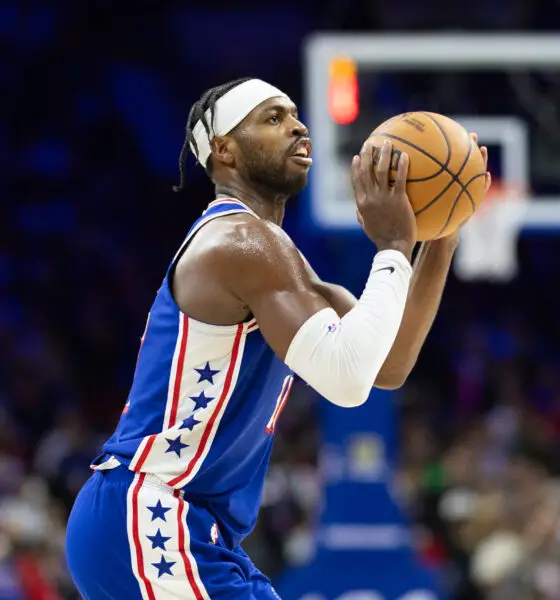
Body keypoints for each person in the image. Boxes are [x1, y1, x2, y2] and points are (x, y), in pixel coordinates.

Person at [65, 77, 491, 599]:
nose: (298, 126)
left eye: (294, 115)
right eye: (272, 118)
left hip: (191, 527)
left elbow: (388, 363)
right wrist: (395, 244)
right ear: (223, 150)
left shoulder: (278, 258)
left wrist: (441, 231)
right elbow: (348, 381)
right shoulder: (240, 243)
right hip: (151, 515)